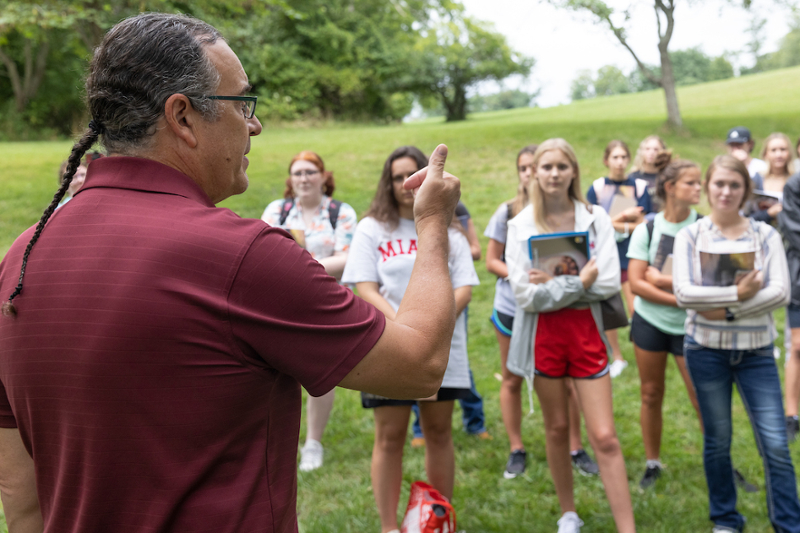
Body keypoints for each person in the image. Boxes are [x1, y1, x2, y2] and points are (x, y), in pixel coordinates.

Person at [0, 14, 463, 533]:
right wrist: (432, 223)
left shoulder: (19, 261)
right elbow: (419, 366)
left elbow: (21, 500)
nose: (255, 124)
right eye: (241, 103)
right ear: (182, 116)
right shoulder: (242, 257)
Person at [341, 146, 479, 533]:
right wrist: (404, 327)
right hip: (387, 346)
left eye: (413, 175)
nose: (406, 184)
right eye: (397, 176)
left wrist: (429, 329)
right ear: (387, 182)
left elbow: (465, 287)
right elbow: (364, 286)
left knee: (438, 432)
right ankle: (388, 526)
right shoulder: (372, 228)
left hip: (442, 349)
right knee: (390, 436)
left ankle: (440, 519)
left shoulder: (447, 230)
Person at [505, 139, 636, 533]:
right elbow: (525, 295)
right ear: (535, 172)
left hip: (586, 332)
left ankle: (627, 527)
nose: (554, 174)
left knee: (605, 436)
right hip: (543, 336)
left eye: (562, 166)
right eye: (547, 167)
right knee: (557, 428)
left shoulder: (594, 218)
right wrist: (579, 280)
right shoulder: (520, 225)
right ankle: (568, 513)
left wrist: (556, 285)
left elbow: (609, 281)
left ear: (574, 171)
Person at [674, 154, 800, 533]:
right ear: (708, 188)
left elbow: (780, 292)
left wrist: (724, 309)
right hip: (705, 352)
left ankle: (789, 524)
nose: (726, 192)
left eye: (735, 185)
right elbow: (683, 294)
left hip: (757, 353)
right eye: (719, 184)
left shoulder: (766, 235)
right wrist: (739, 292)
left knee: (776, 444)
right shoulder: (690, 236)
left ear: (746, 189)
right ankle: (726, 519)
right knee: (717, 440)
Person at [485, 144, 598, 480]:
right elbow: (492, 259)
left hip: (557, 307)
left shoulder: (566, 212)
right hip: (511, 307)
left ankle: (576, 447)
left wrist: (549, 281)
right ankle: (516, 448)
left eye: (531, 167)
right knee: (512, 378)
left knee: (567, 384)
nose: (529, 174)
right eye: (524, 168)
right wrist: (523, 276)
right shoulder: (507, 212)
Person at [261, 150, 358, 472]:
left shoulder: (341, 213)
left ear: (323, 176)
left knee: (320, 375)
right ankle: (275, 439)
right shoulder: (278, 211)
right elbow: (260, 253)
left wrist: (301, 269)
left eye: (309, 172)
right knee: (274, 373)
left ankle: (312, 443)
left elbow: (349, 258)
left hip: (324, 303)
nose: (303, 179)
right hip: (281, 302)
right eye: (297, 173)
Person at [626, 152, 703, 488]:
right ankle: (652, 463)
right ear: (670, 187)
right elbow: (637, 283)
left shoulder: (704, 226)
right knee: (651, 394)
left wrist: (663, 281)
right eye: (692, 183)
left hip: (693, 326)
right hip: (651, 324)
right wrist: (680, 296)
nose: (700, 188)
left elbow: (711, 280)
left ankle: (718, 461)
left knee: (702, 396)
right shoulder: (649, 227)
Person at [410, 199, 489, 448]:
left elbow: (475, 248)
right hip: (416, 310)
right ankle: (419, 428)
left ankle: (475, 422)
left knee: (457, 366)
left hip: (451, 306)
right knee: (414, 369)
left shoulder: (457, 208)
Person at [587, 140, 652, 378]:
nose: (620, 162)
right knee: (611, 310)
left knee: (636, 307)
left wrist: (613, 223)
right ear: (606, 160)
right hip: (605, 254)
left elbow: (644, 224)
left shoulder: (639, 186)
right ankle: (617, 357)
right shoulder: (597, 187)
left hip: (632, 254)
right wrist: (625, 217)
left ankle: (642, 351)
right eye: (615, 157)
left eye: (623, 157)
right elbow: (593, 223)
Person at [780, 170, 800, 442]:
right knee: (797, 346)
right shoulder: (794, 185)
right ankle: (791, 413)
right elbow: (794, 229)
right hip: (798, 276)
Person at [748, 132, 795, 225]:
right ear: (766, 154)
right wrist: (768, 213)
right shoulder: (757, 179)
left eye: (783, 149)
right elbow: (746, 216)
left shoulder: (796, 181)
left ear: (789, 153)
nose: (779, 154)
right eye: (773, 150)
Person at [629, 135, 667, 215]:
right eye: (647, 149)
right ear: (641, 151)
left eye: (656, 149)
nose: (651, 152)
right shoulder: (632, 177)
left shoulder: (667, 177)